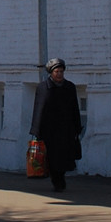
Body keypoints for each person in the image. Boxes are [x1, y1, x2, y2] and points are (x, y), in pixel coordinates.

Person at [30, 57, 83, 192]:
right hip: (49, 130)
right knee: (52, 158)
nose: (59, 74)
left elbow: (74, 108)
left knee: (65, 157)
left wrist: (77, 127)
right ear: (51, 73)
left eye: (61, 71)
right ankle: (57, 181)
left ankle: (60, 178)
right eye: (57, 72)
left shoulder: (69, 87)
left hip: (66, 129)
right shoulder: (43, 88)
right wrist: (36, 130)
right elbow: (38, 109)